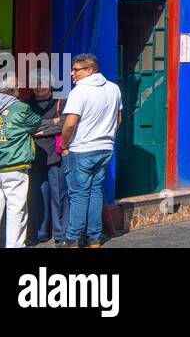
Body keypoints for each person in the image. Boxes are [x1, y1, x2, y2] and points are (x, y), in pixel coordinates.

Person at [60, 53, 122, 248]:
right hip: (105, 148)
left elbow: (70, 124)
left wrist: (63, 145)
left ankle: (73, 238)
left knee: (78, 195)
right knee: (95, 191)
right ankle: (94, 238)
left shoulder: (79, 91)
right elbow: (118, 119)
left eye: (76, 69)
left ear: (89, 70)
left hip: (81, 150)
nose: (72, 73)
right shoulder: (114, 88)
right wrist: (108, 136)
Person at [0, 70, 41, 248]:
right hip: (14, 164)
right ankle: (14, 245)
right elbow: (35, 122)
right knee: (16, 209)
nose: (19, 90)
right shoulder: (19, 107)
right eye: (17, 86)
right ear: (10, 89)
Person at [25, 70, 66, 245]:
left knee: (59, 196)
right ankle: (40, 233)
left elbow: (65, 125)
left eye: (42, 83)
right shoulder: (26, 105)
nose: (38, 87)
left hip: (55, 156)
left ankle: (61, 234)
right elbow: (26, 126)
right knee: (36, 197)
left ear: (50, 84)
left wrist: (41, 129)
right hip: (34, 158)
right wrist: (53, 123)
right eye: (35, 83)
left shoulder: (60, 102)